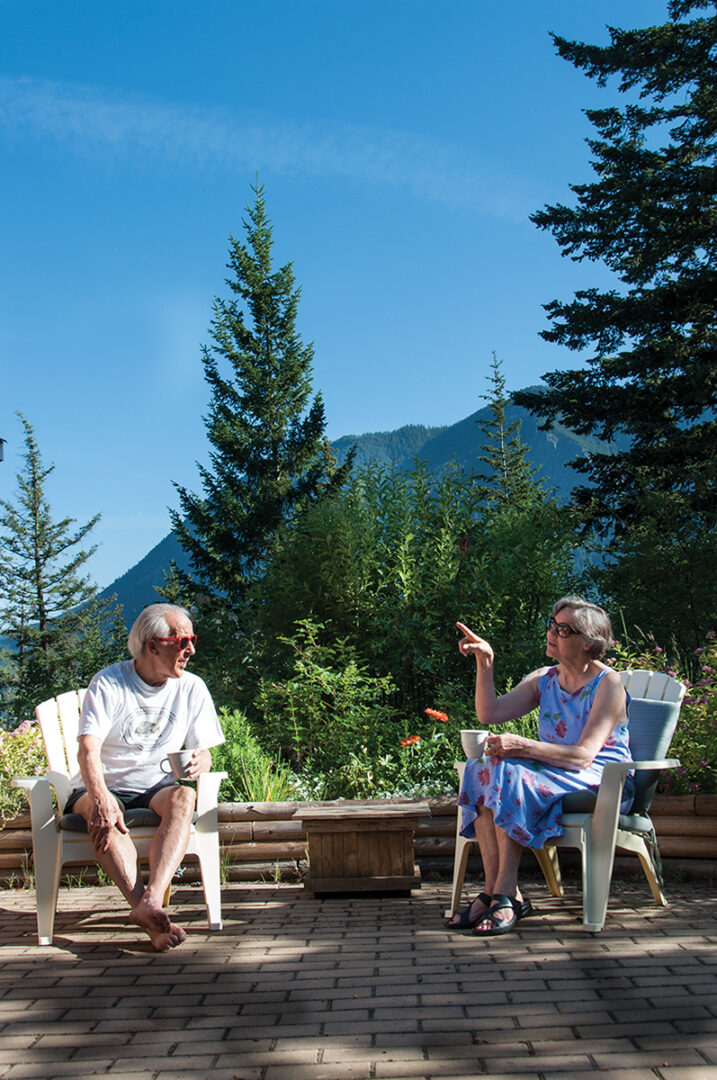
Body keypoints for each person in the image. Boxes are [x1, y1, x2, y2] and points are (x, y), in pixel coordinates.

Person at [447, 595, 633, 938]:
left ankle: (505, 892)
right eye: (552, 623)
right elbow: (490, 715)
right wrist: (485, 663)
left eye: (564, 629)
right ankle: (496, 892)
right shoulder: (544, 679)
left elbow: (584, 755)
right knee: (484, 769)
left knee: (509, 772)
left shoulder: (608, 684)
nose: (553, 632)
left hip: (599, 779)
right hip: (551, 773)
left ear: (589, 643)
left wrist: (524, 746)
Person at [65, 603, 224, 951]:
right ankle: (146, 910)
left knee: (185, 797)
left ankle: (151, 900)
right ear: (152, 645)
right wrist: (103, 798)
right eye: (183, 641)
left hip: (156, 785)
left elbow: (206, 751)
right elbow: (88, 750)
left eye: (192, 639)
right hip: (102, 783)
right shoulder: (109, 682)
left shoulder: (192, 688)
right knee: (101, 813)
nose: (192, 650)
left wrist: (202, 762)